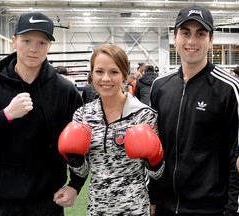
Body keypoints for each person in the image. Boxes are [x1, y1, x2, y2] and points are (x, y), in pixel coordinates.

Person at [0, 12, 87, 216]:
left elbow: (81, 145)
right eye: (26, 40)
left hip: (46, 202)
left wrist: (75, 185)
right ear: (14, 41)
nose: (33, 49)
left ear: (49, 46)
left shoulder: (65, 91)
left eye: (42, 42)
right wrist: (6, 115)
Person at [149, 4, 239, 216]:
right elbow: (153, 150)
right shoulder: (160, 86)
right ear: (174, 37)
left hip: (211, 209)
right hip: (164, 206)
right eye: (185, 33)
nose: (192, 41)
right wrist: (152, 197)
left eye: (200, 34)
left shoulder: (230, 89)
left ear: (211, 40)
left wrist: (234, 210)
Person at [58, 44, 165, 215]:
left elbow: (158, 174)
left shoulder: (143, 115)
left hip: (135, 208)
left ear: (124, 75)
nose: (105, 78)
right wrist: (74, 160)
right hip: (96, 208)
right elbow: (84, 171)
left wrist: (154, 161)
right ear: (92, 74)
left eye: (114, 72)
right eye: (99, 71)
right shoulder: (83, 115)